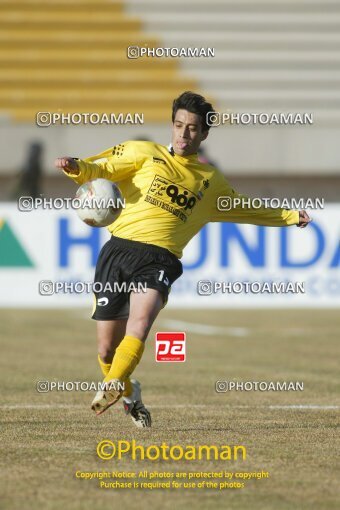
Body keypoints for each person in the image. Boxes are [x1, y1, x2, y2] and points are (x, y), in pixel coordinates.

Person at [54, 91, 311, 428]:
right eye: (178, 125)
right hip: (117, 251)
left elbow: (247, 208)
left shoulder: (209, 182)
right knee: (105, 350)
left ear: (204, 134)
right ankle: (130, 394)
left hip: (160, 258)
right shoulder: (144, 153)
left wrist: (289, 215)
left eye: (192, 128)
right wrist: (77, 168)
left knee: (141, 323)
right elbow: (100, 169)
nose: (183, 134)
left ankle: (113, 384)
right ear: (171, 124)